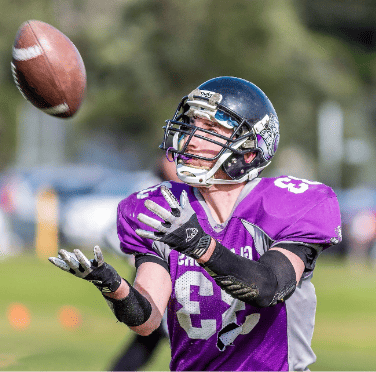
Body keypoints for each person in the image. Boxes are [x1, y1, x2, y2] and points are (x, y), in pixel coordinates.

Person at [49, 76, 342, 372]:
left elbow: (267, 288)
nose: (192, 138)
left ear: (250, 150)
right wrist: (115, 288)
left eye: (211, 128)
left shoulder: (288, 205)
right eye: (193, 125)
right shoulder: (163, 206)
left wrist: (201, 245)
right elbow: (147, 320)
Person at [103, 154, 178, 372]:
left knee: (147, 342)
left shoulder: (192, 191)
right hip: (159, 277)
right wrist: (140, 254)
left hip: (183, 279)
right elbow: (111, 234)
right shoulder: (150, 189)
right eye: (171, 157)